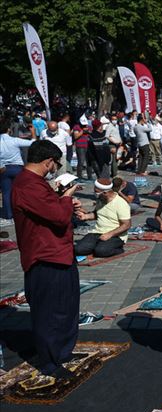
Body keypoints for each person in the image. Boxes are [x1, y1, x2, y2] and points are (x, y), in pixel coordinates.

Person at [12, 140, 81, 378]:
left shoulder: (36, 184)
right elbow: (57, 217)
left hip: (59, 253)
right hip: (45, 256)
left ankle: (62, 351)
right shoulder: (27, 186)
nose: (55, 168)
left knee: (67, 306)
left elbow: (51, 209)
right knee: (49, 313)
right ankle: (50, 360)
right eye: (55, 164)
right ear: (48, 162)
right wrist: (66, 199)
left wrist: (64, 199)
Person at [74, 178, 132, 258]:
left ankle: (118, 249)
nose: (95, 194)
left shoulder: (121, 204)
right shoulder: (101, 199)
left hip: (115, 235)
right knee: (78, 249)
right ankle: (97, 245)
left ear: (105, 192)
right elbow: (97, 214)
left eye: (96, 192)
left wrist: (109, 234)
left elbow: (126, 225)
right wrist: (85, 216)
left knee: (101, 251)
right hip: (97, 232)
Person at [1, 116, 34, 224]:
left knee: (6, 193)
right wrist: (33, 132)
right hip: (17, 168)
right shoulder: (14, 140)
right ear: (8, 130)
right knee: (20, 191)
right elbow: (32, 143)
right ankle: (22, 212)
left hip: (3, 168)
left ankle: (8, 215)